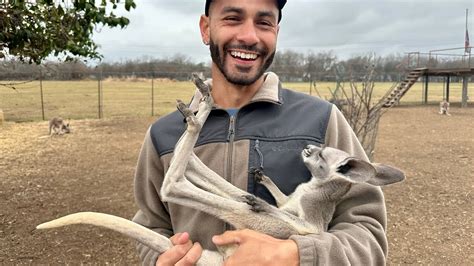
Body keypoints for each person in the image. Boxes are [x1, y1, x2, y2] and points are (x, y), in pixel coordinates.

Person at [132, 0, 389, 265]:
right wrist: (160, 258)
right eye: (233, 18)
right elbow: (152, 225)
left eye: (263, 23)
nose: (249, 36)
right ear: (206, 28)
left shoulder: (322, 120)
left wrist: (297, 255)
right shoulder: (164, 134)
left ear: (276, 32)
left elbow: (368, 237)